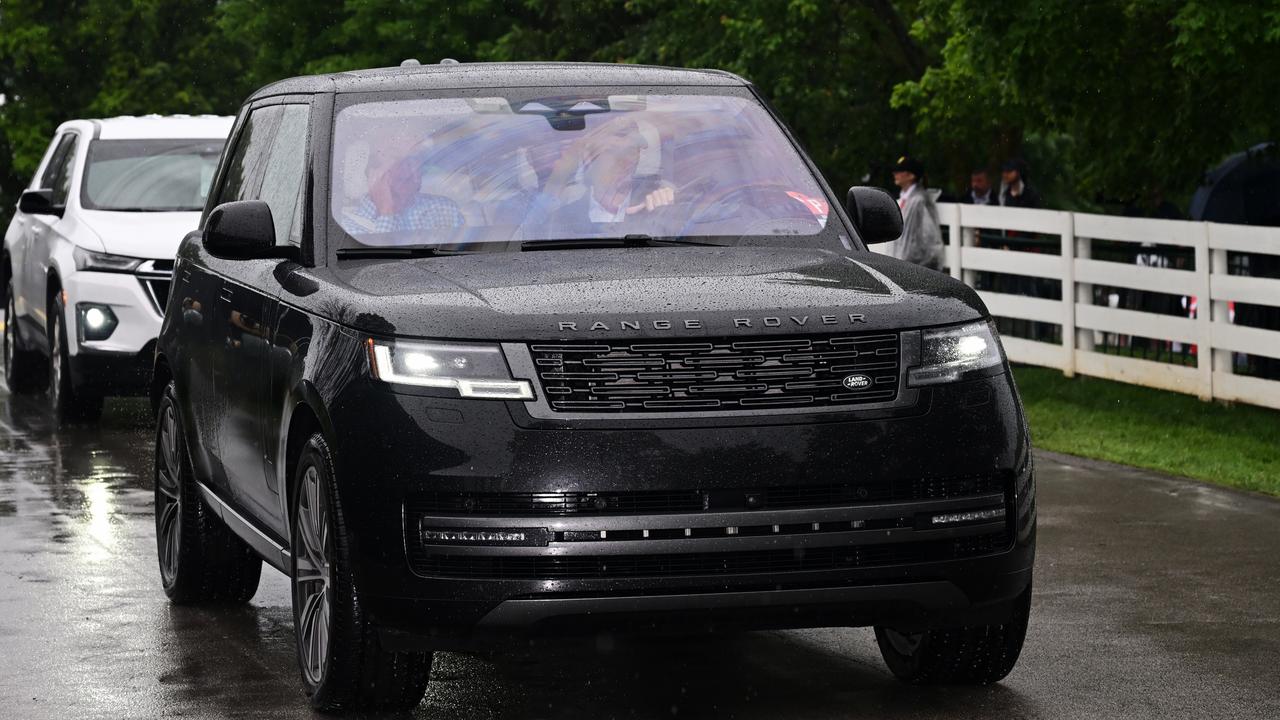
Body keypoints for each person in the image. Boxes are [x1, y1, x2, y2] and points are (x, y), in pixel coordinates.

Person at [529, 116, 677, 237]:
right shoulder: (559, 221)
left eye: (631, 150)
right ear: (588, 158)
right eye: (612, 152)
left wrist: (669, 205)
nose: (625, 161)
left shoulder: (660, 204)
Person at [348, 136, 465, 234]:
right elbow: (381, 261)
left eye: (415, 158)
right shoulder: (348, 227)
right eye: (395, 157)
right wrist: (386, 212)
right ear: (372, 173)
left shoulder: (444, 209)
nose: (409, 168)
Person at [890, 155, 944, 270]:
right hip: (902, 264)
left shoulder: (919, 200)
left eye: (900, 171)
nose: (895, 174)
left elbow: (930, 237)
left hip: (916, 266)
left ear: (911, 175)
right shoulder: (904, 199)